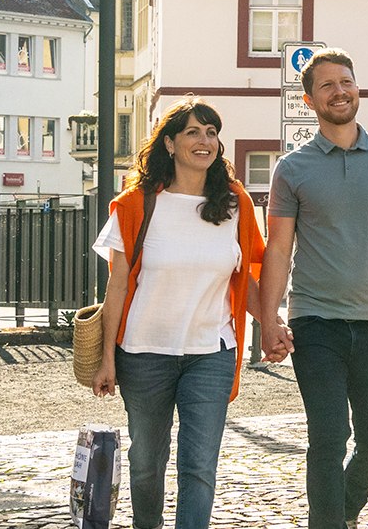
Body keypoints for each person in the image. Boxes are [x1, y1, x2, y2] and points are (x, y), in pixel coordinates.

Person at [259, 48, 368, 529]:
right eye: (328, 85)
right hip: (315, 322)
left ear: (357, 88)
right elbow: (278, 248)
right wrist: (269, 318)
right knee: (329, 437)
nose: (340, 91)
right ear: (310, 100)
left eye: (346, 82)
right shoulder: (292, 168)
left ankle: (342, 512)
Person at [92, 98, 271, 529]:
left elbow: (245, 279)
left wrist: (273, 323)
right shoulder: (134, 205)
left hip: (211, 353)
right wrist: (107, 357)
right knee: (146, 462)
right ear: (170, 143)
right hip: (143, 353)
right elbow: (117, 286)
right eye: (193, 132)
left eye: (211, 133)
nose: (204, 140)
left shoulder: (236, 203)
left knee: (199, 465)